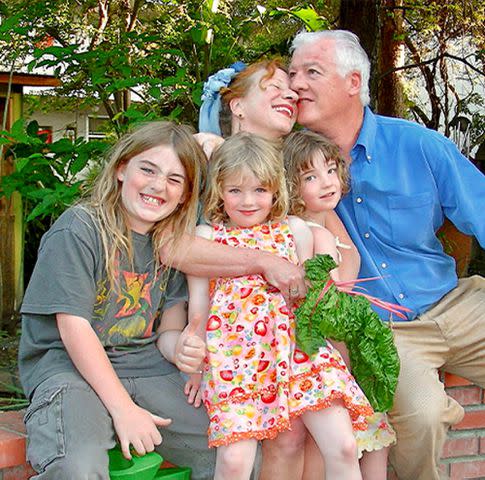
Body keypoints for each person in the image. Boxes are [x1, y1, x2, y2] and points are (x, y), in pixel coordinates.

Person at [288, 29, 485, 480]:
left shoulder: (419, 146)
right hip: (383, 329)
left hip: (457, 303)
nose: (296, 83)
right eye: (293, 73)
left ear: (353, 82)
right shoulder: (284, 167)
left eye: (312, 72)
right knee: (421, 415)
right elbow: (231, 191)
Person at [18, 121, 215, 480]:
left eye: (175, 179)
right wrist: (123, 409)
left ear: (186, 194)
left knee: (231, 445)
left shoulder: (170, 244)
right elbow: (73, 327)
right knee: (77, 467)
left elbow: (170, 323)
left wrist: (179, 348)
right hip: (68, 369)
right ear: (122, 168)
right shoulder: (79, 228)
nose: (158, 186)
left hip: (144, 365)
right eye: (148, 169)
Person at [185, 132, 374, 480]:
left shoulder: (295, 230)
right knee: (235, 462)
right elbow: (199, 309)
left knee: (344, 445)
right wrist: (197, 367)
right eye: (235, 190)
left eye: (259, 190)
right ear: (219, 191)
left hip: (298, 352)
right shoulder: (207, 238)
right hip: (237, 360)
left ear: (275, 190)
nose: (248, 201)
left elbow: (306, 296)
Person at [283, 129, 397, 480]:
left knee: (377, 437)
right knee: (330, 447)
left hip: (349, 355)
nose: (327, 182)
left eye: (331, 170)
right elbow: (316, 305)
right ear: (290, 184)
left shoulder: (329, 222)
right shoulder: (300, 230)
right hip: (324, 357)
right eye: (311, 177)